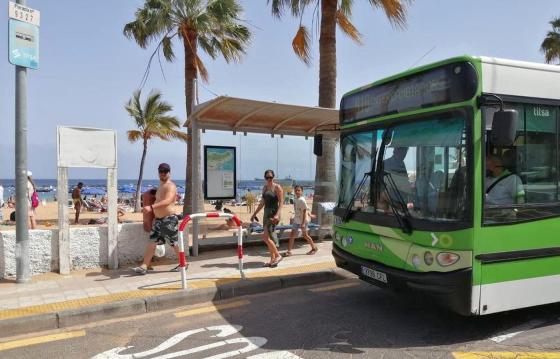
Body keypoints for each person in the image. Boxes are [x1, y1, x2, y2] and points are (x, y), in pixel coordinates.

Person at [132, 163, 182, 275]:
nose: (163, 173)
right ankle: (144, 266)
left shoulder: (170, 186)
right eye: (161, 171)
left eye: (165, 171)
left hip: (168, 219)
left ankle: (183, 263)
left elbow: (168, 201)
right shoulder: (160, 186)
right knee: (152, 242)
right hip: (159, 220)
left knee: (174, 243)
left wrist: (151, 207)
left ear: (169, 172)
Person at [251, 169, 283, 268]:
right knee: (267, 237)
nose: (269, 179)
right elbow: (262, 203)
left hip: (274, 213)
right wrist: (254, 213)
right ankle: (272, 260)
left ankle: (278, 255)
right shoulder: (264, 188)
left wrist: (277, 215)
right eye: (267, 177)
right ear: (265, 178)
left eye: (270, 177)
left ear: (273, 177)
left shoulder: (277, 187)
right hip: (266, 213)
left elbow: (281, 202)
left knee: (265, 237)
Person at [282, 185, 318, 257]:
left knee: (305, 235)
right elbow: (305, 209)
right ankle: (289, 251)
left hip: (302, 221)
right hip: (297, 220)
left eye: (299, 190)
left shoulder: (302, 200)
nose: (297, 192)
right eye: (296, 190)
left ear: (302, 191)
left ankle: (314, 248)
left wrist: (303, 223)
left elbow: (304, 211)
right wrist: (310, 215)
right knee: (292, 235)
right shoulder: (296, 199)